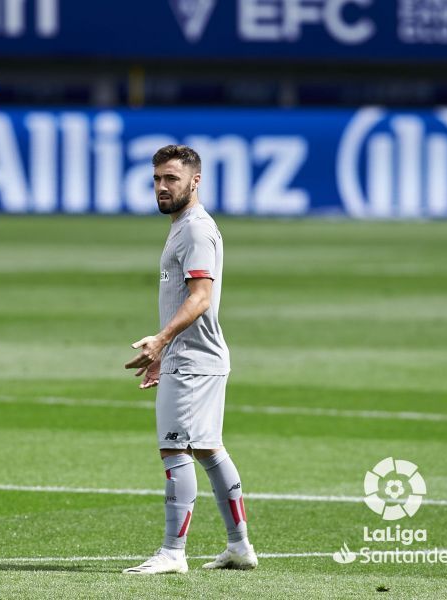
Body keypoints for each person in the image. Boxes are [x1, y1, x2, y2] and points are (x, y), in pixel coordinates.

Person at [122, 145, 257, 575]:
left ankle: (172, 553)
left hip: (195, 361)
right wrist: (167, 349)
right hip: (197, 357)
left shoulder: (196, 230)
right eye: (157, 179)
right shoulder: (185, 225)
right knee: (208, 449)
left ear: (194, 182)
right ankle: (239, 547)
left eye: (171, 179)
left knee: (174, 449)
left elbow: (200, 298)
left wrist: (162, 340)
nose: (162, 187)